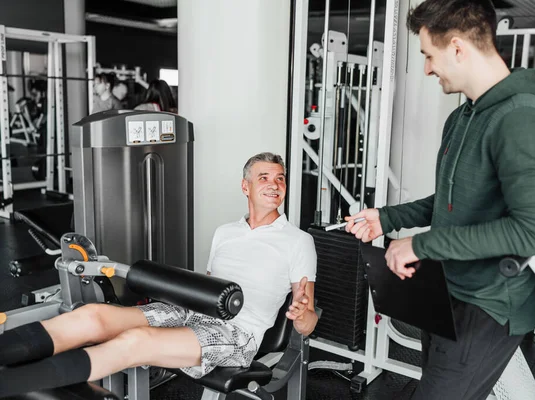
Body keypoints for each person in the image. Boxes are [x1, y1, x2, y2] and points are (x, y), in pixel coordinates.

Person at [346, 1, 535, 399]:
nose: (427, 68)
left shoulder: (522, 118)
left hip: (490, 303)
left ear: (458, 47)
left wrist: (420, 243)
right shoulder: (463, 117)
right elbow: (453, 200)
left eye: (429, 55)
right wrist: (388, 218)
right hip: (448, 290)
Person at [0, 152, 318, 397]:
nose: (275, 184)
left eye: (280, 178)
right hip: (191, 311)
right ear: (245, 186)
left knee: (135, 342)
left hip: (239, 334)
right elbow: (208, 286)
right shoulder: (225, 232)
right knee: (94, 316)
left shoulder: (298, 241)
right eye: (264, 177)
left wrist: (302, 315)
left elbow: (308, 322)